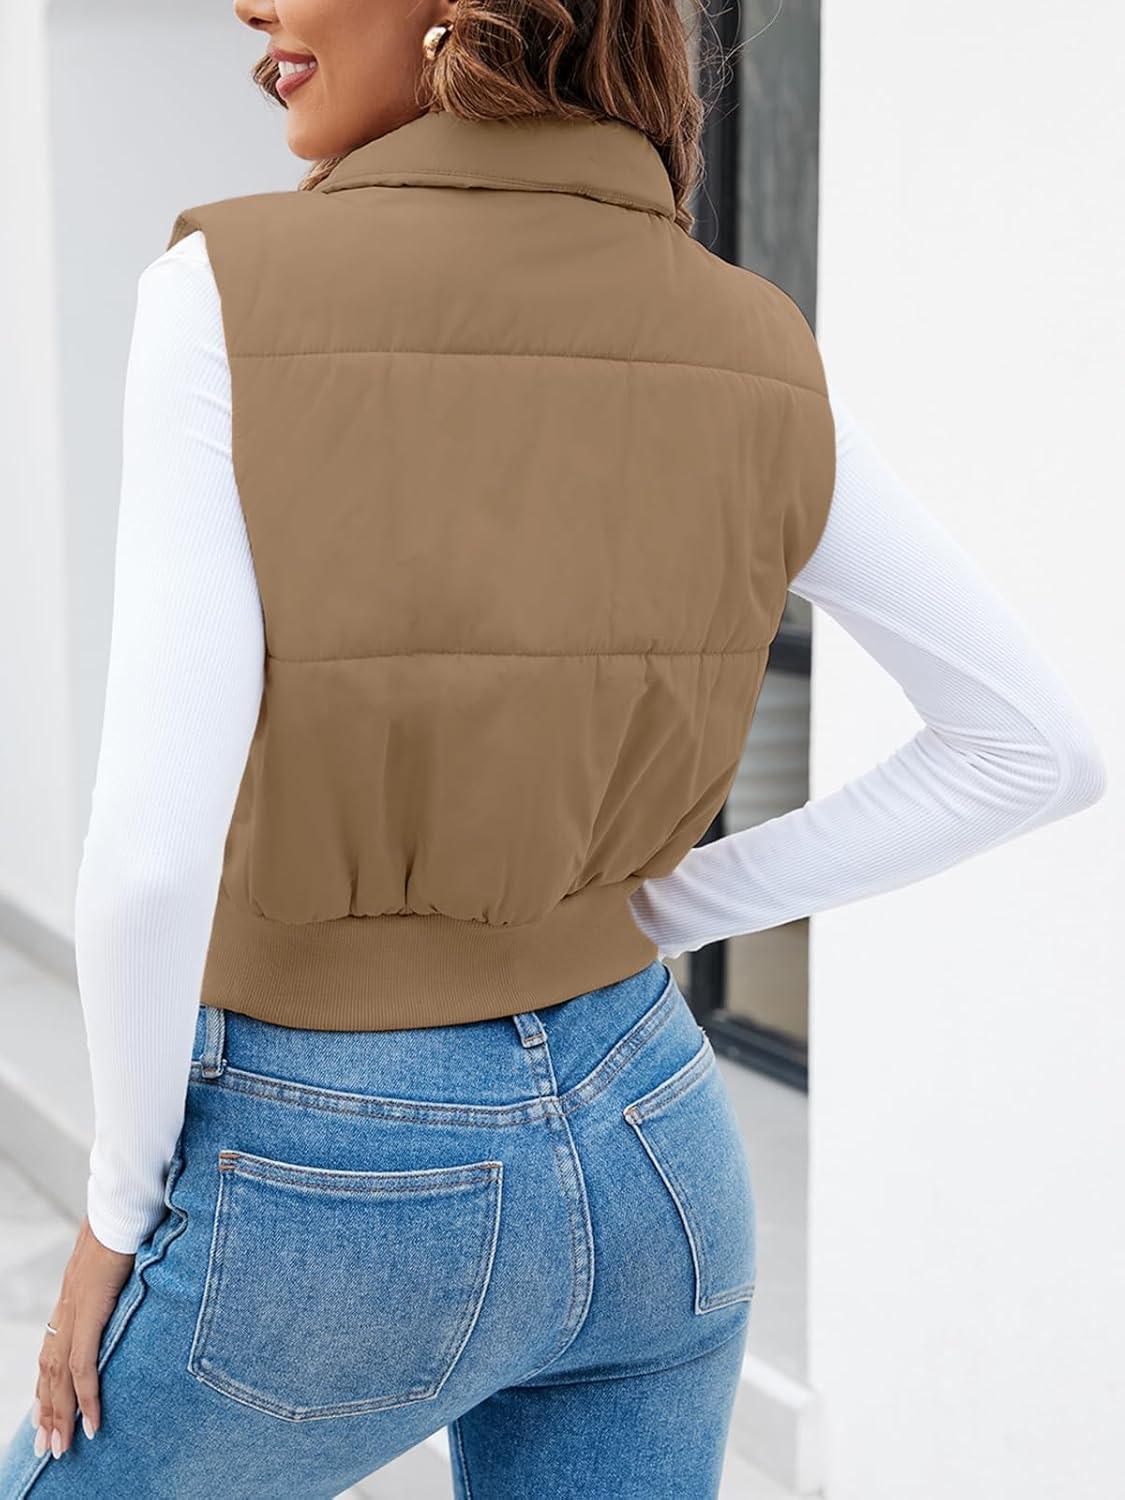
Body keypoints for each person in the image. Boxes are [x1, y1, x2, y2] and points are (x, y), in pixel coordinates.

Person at [0, 0, 1107, 1495]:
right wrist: (667, 907)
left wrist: (114, 1216)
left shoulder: (225, 289)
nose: (248, 4)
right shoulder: (752, 337)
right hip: (657, 1141)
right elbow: (1032, 746)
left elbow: (148, 860)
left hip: (336, 1162)